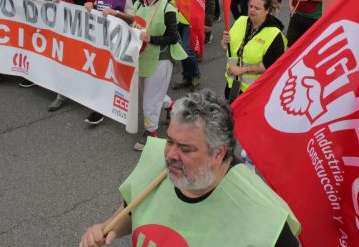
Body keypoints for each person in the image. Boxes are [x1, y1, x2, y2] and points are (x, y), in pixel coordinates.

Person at [79, 89, 301, 247]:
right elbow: (134, 208)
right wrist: (108, 228)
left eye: (186, 149)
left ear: (218, 153)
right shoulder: (156, 160)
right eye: (170, 141)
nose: (171, 155)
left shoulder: (264, 216)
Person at [132, 0, 187, 151]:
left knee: (149, 100)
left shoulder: (167, 9)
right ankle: (172, 105)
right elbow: (133, 24)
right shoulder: (139, 3)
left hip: (161, 59)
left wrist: (151, 39)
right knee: (150, 94)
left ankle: (151, 133)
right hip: (141, 57)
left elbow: (173, 38)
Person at [75, 0, 135, 121]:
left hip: (118, 41)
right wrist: (90, 6)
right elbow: (98, 8)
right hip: (101, 40)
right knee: (100, 72)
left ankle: (120, 104)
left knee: (115, 75)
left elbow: (132, 18)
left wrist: (116, 13)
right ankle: (100, 108)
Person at [221, 0, 286, 102]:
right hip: (232, 83)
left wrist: (242, 70)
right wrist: (224, 42)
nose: (252, 10)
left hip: (254, 91)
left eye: (257, 8)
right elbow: (226, 48)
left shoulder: (275, 35)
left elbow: (268, 66)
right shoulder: (240, 21)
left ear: (267, 10)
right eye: (250, 6)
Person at [165, 0, 203, 92]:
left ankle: (195, 76)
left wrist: (208, 22)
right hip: (175, 17)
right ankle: (187, 77)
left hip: (190, 19)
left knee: (188, 49)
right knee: (179, 49)